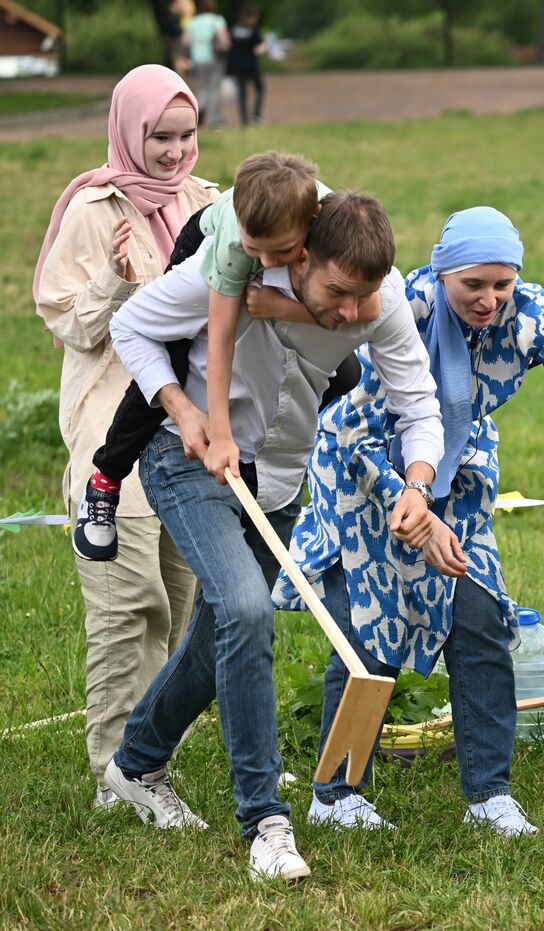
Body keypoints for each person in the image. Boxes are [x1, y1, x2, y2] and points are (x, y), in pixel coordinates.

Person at [274, 207, 544, 835]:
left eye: (501, 283)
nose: (489, 299)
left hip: (459, 480)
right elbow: (358, 430)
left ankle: (489, 794)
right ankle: (336, 794)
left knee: (478, 621)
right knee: (371, 635)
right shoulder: (404, 310)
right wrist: (413, 509)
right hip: (364, 474)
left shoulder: (525, 314)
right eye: (473, 285)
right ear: (443, 272)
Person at [100, 192, 445, 882]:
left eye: (364, 296)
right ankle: (267, 821)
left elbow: (419, 402)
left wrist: (417, 482)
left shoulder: (380, 297)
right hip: (187, 457)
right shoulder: (231, 272)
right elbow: (131, 324)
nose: (352, 313)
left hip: (279, 483)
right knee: (249, 611)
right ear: (302, 257)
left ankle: (133, 765)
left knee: (222, 626)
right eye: (339, 293)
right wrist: (183, 409)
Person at [33, 64, 217, 809]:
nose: (174, 154)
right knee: (127, 603)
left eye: (185, 136)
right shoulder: (91, 206)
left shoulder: (209, 202)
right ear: (128, 132)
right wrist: (113, 281)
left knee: (181, 602)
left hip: (191, 431)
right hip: (115, 436)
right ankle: (114, 769)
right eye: (159, 138)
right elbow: (66, 320)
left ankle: (150, 757)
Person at [72, 152, 333, 563]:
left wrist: (281, 309)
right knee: (167, 366)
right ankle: (106, 476)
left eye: (279, 252)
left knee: (346, 370)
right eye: (256, 250)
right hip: (205, 238)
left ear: (312, 220)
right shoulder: (232, 247)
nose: (264, 264)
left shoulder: (332, 225)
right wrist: (220, 433)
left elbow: (363, 311)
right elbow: (221, 340)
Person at [183, 0, 229, 130]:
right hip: (213, 58)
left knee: (203, 88)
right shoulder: (217, 20)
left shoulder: (193, 22)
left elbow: (185, 41)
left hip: (197, 60)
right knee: (214, 89)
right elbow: (223, 40)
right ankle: (215, 120)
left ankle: (197, 116)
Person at [227, 5, 267, 127]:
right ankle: (256, 116)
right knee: (260, 89)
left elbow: (228, 45)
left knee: (242, 94)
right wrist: (265, 46)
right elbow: (257, 49)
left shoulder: (234, 29)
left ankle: (244, 120)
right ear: (252, 17)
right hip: (251, 65)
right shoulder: (253, 30)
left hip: (237, 66)